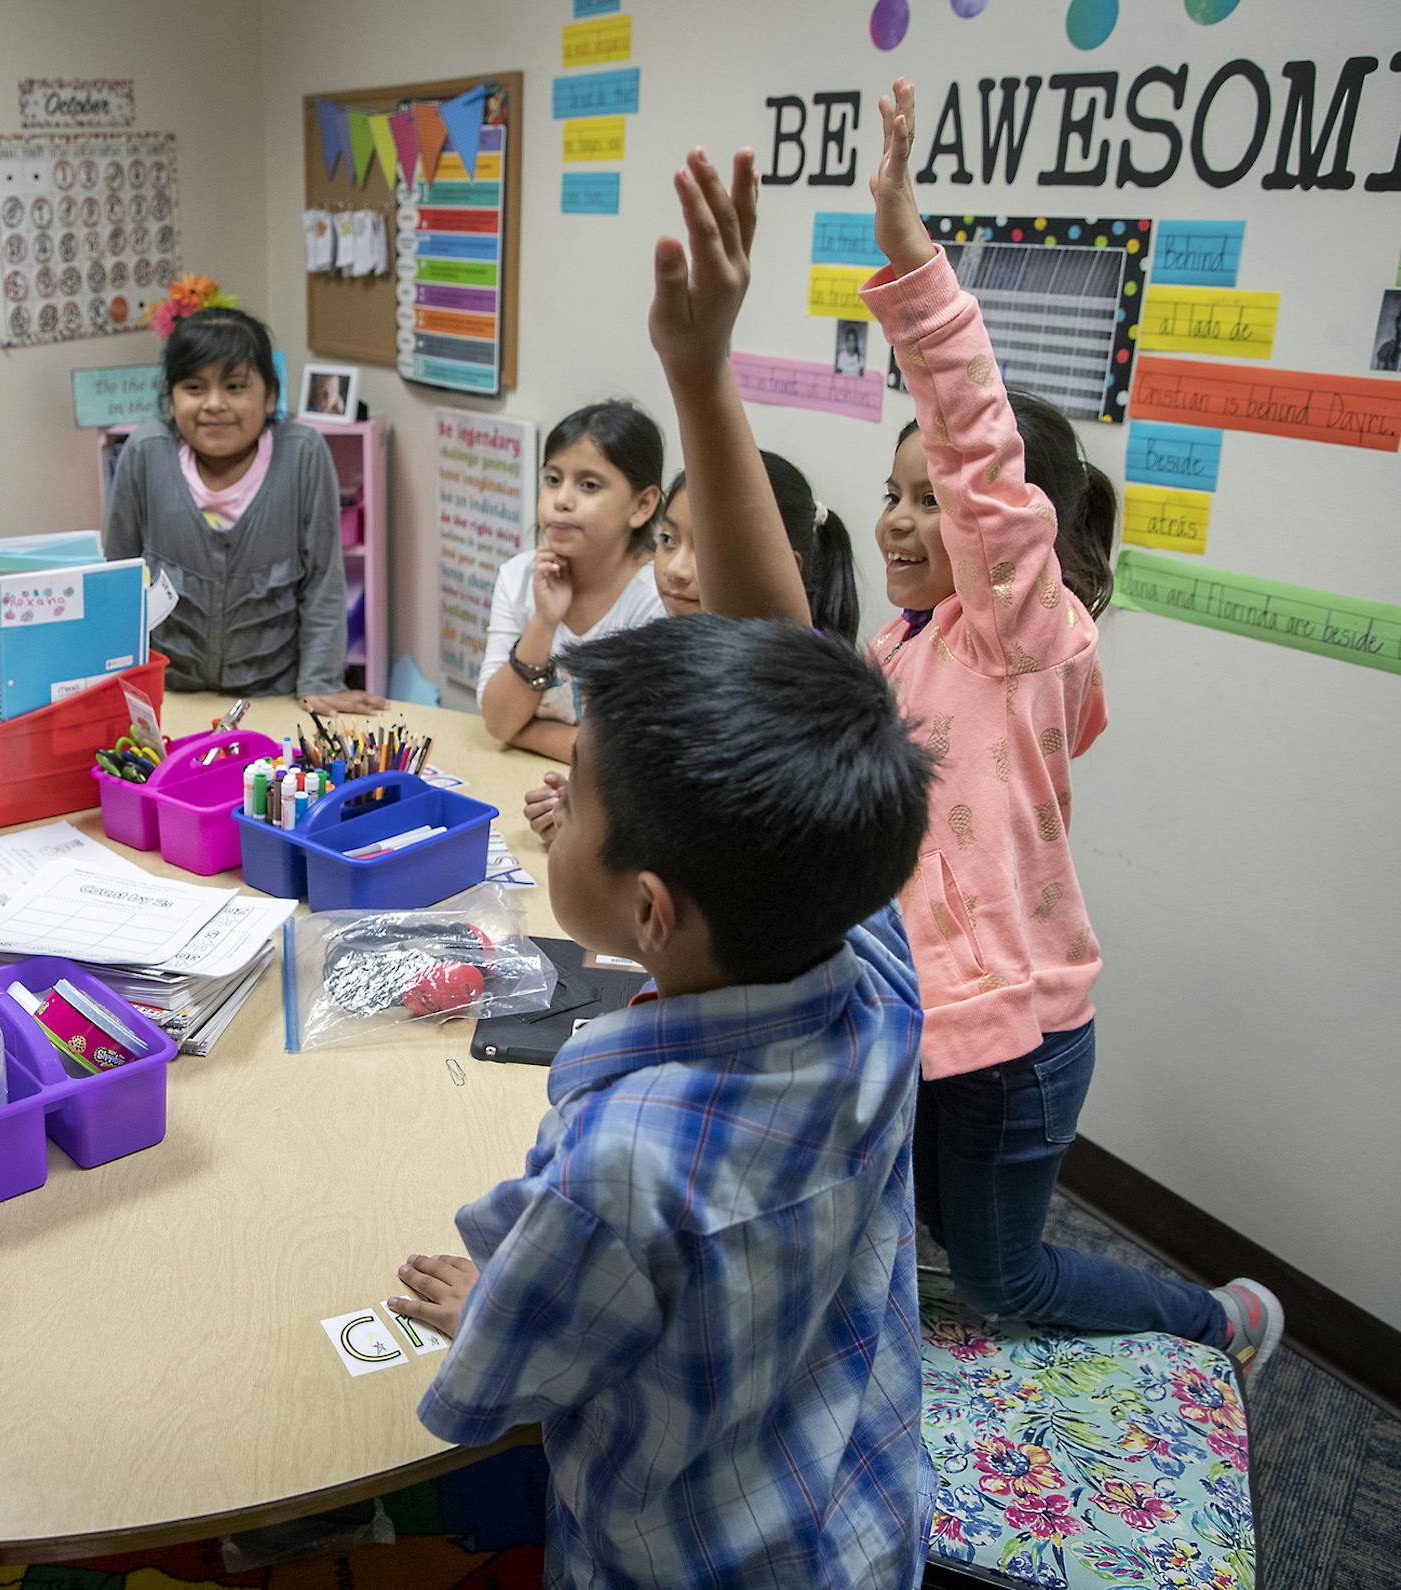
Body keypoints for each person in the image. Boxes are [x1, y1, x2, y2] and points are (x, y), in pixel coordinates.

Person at [388, 149, 935, 1590]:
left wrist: (490, 1300)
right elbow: (793, 667)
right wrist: (703, 371)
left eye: (569, 803)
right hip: (862, 1517)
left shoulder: (618, 1175)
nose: (552, 798)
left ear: (648, 908)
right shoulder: (865, 966)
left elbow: (499, 1383)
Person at [876, 84, 1280, 1369]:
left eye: (927, 499)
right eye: (889, 495)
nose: (898, 521)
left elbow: (979, 454)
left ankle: (1217, 1321)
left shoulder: (1027, 638)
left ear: (1010, 532)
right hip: (934, 1024)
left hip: (1022, 1042)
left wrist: (909, 252)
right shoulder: (907, 645)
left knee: (1008, 1284)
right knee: (943, 1225)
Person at [524, 450, 860, 839]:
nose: (677, 571)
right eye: (668, 540)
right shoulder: (675, 655)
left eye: (711, 549)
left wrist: (601, 829)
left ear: (784, 568)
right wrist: (586, 810)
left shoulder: (805, 696)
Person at [105, 307, 382, 713]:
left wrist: (320, 681)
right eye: (194, 388)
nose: (214, 404)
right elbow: (117, 576)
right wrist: (118, 680)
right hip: (169, 690)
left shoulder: (302, 455)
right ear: (170, 396)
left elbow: (323, 580)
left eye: (235, 387)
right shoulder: (146, 452)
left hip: (272, 695)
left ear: (270, 396)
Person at [475, 401, 668, 762]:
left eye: (589, 485)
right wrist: (544, 622)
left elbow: (632, 754)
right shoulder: (518, 576)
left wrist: (523, 731)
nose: (562, 500)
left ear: (642, 505)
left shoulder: (659, 597)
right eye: (552, 480)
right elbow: (498, 723)